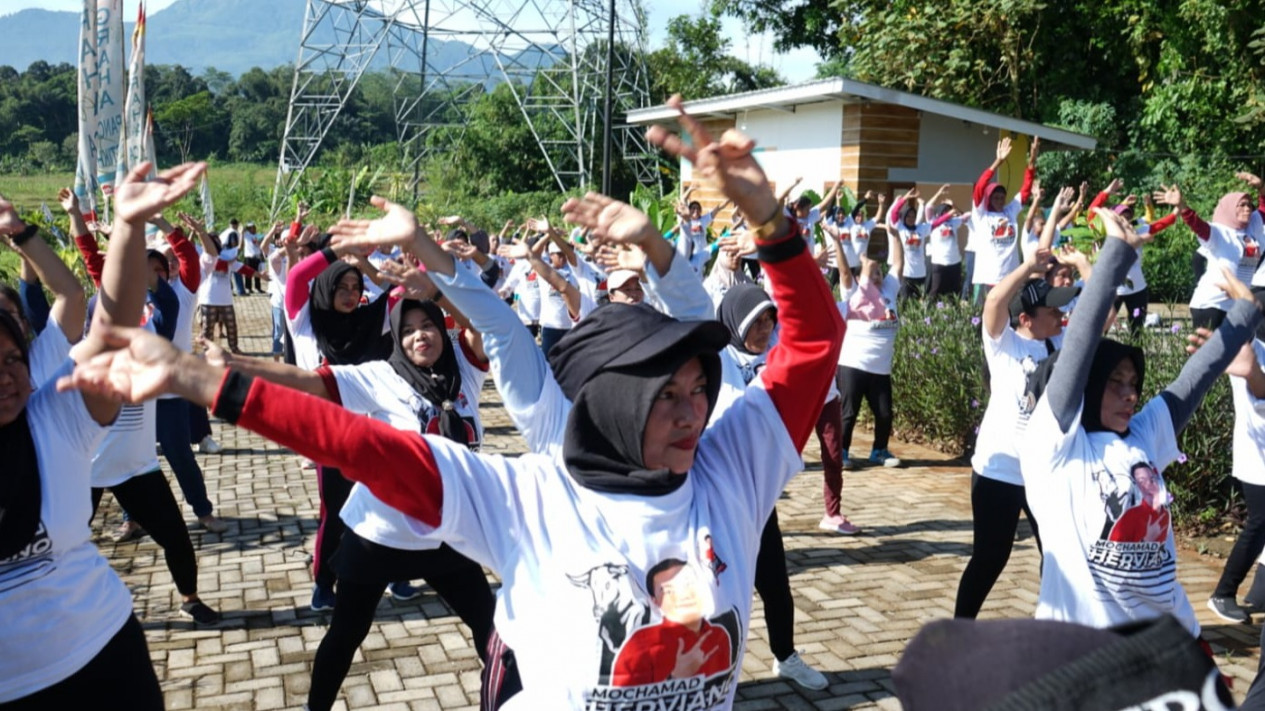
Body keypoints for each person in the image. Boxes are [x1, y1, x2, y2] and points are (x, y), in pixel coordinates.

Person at [58, 96, 844, 709]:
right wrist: (205, 379)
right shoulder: (527, 493)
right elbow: (360, 443)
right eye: (663, 394)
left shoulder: (729, 469)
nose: (692, 411)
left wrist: (771, 225)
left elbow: (811, 344)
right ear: (603, 402)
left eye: (698, 388)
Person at [0, 161, 204, 708]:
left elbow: (108, 330)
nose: (8, 375)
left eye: (13, 357)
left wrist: (131, 226)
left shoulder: (49, 418)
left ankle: (190, 595)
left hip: (106, 655)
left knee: (176, 532)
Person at [1018, 206, 1263, 637]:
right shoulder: (1054, 447)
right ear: (1088, 389)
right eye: (1115, 383)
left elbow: (1196, 377)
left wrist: (1246, 313)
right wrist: (1116, 254)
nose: (1131, 394)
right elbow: (1079, 348)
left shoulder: (1142, 434)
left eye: (1134, 383)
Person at [954, 195, 1077, 620]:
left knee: (1060, 558)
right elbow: (993, 304)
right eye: (1053, 311)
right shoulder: (1002, 344)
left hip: (1046, 472)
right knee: (990, 559)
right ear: (1026, 317)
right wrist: (1027, 266)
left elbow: (1102, 319)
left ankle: (1054, 628)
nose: (1062, 316)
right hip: (998, 471)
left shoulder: (1060, 342)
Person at [284, 241, 396, 611]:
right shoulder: (304, 322)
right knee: (335, 509)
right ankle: (323, 583)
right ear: (327, 287)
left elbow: (399, 292)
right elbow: (299, 274)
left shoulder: (367, 322)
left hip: (371, 428)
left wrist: (419, 250)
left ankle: (396, 571)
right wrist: (339, 247)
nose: (350, 295)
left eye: (356, 288)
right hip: (328, 433)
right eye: (342, 287)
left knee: (387, 499)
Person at [1154, 174, 1265, 330]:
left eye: (1249, 205)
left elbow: (1264, 207)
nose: (1247, 208)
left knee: (1239, 353)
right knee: (1211, 354)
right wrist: (1183, 207)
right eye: (1242, 205)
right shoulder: (1219, 232)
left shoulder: (1252, 228)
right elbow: (1198, 225)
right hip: (1211, 305)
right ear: (1229, 209)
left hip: (1235, 306)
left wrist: (1261, 187)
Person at [1207, 336, 1265, 623]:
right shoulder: (1251, 349)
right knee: (1259, 523)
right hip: (1259, 458)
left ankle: (1260, 589)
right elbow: (1259, 400)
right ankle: (1223, 593)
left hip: (1257, 454)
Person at [968, 136, 1038, 305]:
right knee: (983, 321)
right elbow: (979, 187)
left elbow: (1026, 190)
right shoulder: (981, 214)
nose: (999, 199)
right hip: (987, 278)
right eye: (995, 196)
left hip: (1010, 277)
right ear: (988, 198)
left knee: (1008, 320)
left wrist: (1032, 162)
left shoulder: (1010, 210)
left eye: (1002, 196)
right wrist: (997, 162)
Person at [922, 185, 964, 302]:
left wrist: (954, 205)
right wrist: (939, 193)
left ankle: (952, 315)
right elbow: (928, 206)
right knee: (935, 290)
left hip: (954, 262)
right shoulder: (933, 223)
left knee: (955, 292)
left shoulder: (954, 222)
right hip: (939, 263)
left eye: (948, 210)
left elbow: (967, 217)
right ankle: (927, 315)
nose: (948, 213)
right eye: (945, 211)